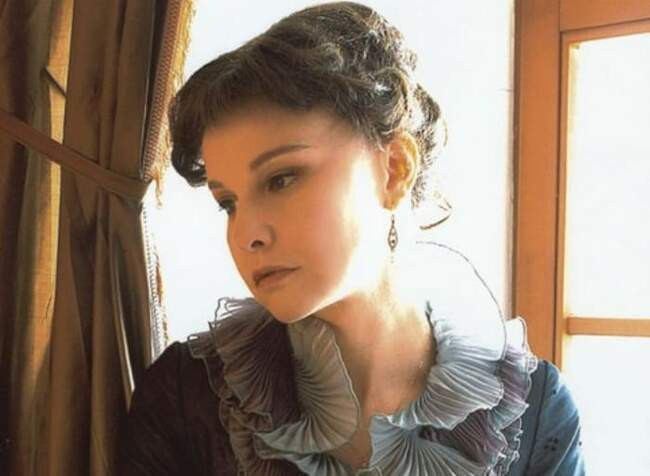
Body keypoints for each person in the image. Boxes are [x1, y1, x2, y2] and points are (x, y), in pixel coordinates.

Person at [118, 2, 585, 474]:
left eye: (281, 179)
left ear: (395, 168)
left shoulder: (536, 411)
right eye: (228, 202)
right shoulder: (184, 399)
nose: (246, 235)